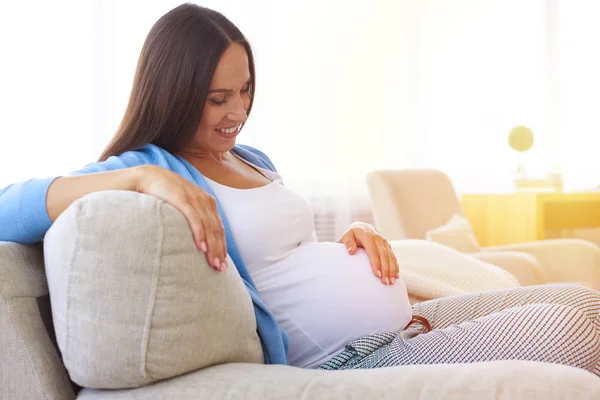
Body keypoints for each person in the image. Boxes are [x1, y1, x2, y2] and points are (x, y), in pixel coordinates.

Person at [1, 3, 599, 374]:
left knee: (585, 302)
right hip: (351, 358)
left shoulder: (250, 157)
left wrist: (351, 237)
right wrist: (139, 175)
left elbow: (285, 253)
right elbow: (6, 209)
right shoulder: (151, 166)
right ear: (174, 92)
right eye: (217, 98)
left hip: (404, 322)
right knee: (569, 332)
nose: (238, 112)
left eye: (245, 90)